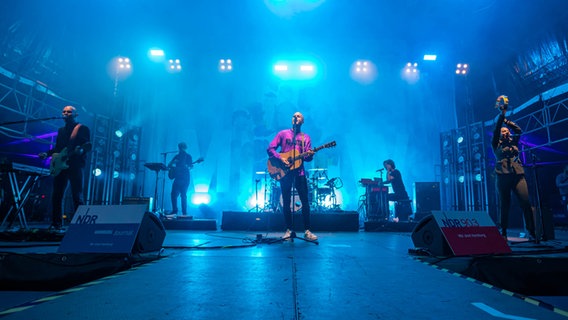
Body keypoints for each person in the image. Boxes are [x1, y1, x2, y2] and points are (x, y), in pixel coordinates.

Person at [39, 105, 91, 231]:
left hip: (75, 165)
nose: (66, 113)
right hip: (61, 166)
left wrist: (81, 150)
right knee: (57, 195)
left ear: (75, 115)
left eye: (69, 112)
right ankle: (56, 223)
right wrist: (47, 153)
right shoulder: (61, 130)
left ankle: (80, 226)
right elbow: (58, 148)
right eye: (64, 111)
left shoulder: (82, 128)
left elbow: (88, 144)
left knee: (77, 195)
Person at [267, 112, 317, 241]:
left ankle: (307, 230)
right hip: (284, 172)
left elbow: (306, 158)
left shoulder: (306, 138)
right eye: (294, 116)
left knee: (305, 202)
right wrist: (281, 158)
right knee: (287, 201)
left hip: (299, 172)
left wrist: (310, 155)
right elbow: (270, 148)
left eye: (299, 116)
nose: (296, 117)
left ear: (303, 121)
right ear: (291, 120)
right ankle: (288, 229)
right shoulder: (283, 134)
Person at [491, 100, 535, 239]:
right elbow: (497, 128)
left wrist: (508, 122)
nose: (506, 133)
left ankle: (532, 231)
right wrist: (502, 115)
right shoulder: (496, 145)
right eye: (503, 132)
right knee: (505, 204)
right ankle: (503, 230)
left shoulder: (513, 142)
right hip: (503, 175)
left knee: (526, 203)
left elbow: (518, 130)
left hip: (518, 174)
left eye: (507, 132)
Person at [167, 142, 193, 217]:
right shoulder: (177, 156)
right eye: (180, 147)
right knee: (174, 194)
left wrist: (187, 167)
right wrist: (173, 164)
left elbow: (191, 167)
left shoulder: (188, 156)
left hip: (185, 179)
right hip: (178, 178)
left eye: (182, 147)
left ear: (184, 148)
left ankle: (184, 212)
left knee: (183, 195)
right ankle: (176, 210)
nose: (181, 149)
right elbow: (169, 165)